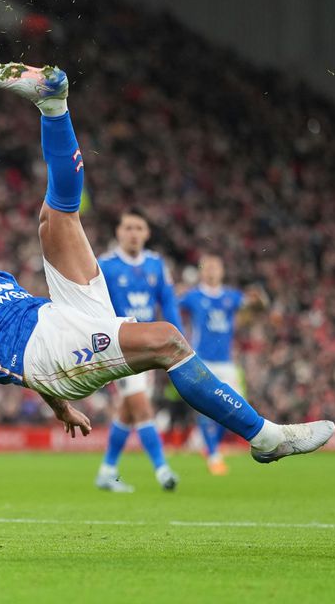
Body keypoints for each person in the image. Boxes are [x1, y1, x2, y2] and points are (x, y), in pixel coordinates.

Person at [0, 62, 335, 476]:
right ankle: (266, 437)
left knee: (54, 218)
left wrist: (61, 407)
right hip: (47, 346)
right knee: (168, 338)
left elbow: (29, 357)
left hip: (57, 320)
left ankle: (54, 105)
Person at [95, 210, 182, 492]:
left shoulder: (157, 265)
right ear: (118, 232)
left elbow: (168, 304)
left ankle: (107, 471)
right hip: (119, 348)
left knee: (128, 411)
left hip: (150, 348)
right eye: (128, 227)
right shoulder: (104, 265)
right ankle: (162, 470)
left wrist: (177, 340)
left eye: (139, 228)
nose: (133, 233)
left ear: (147, 233)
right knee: (141, 405)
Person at [178, 254, 263, 474]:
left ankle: (210, 446)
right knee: (206, 409)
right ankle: (214, 454)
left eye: (216, 267)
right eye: (208, 267)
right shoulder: (193, 296)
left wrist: (259, 299)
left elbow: (257, 306)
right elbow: (172, 303)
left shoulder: (232, 296)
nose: (212, 271)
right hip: (202, 360)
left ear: (222, 271)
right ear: (201, 271)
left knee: (236, 405)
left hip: (226, 362)